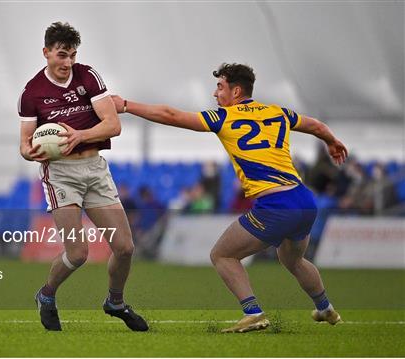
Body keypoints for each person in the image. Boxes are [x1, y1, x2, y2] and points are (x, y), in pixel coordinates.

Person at [112, 63, 347, 333]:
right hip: (304, 200)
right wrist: (332, 141)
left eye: (220, 87)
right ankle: (325, 307)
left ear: (236, 91)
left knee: (222, 255)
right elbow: (315, 125)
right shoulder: (278, 112)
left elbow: (171, 114)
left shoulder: (223, 117)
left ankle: (253, 312)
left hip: (276, 205)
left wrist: (127, 105)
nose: (215, 94)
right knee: (292, 259)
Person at [18, 22, 147, 332]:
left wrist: (80, 135)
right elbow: (24, 144)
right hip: (60, 174)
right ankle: (46, 295)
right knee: (77, 253)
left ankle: (115, 302)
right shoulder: (31, 93)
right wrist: (30, 151)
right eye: (62, 55)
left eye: (73, 55)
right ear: (46, 52)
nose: (68, 63)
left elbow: (113, 124)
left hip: (94, 169)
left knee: (125, 248)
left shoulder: (88, 76)